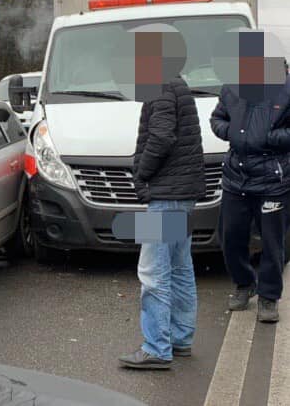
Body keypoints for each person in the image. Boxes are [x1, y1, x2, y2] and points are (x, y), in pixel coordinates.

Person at [119, 31, 206, 370]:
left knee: (153, 272)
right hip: (182, 195)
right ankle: (181, 339)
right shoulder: (175, 83)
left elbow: (161, 137)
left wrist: (140, 173)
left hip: (166, 196)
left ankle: (156, 348)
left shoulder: (161, 86)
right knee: (181, 268)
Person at [210, 52, 290, 323]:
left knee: (272, 243)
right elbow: (217, 120)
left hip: (272, 181)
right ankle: (244, 284)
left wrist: (270, 138)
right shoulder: (232, 88)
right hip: (236, 178)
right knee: (230, 237)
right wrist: (229, 132)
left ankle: (269, 297)